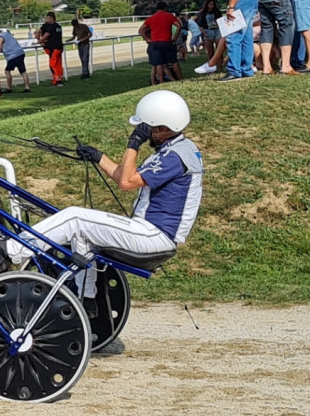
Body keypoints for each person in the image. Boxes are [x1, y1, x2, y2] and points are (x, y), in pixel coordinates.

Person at [17, 90, 202, 298]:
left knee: (75, 217)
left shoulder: (174, 157)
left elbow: (125, 182)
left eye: (147, 128)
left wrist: (134, 144)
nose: (146, 133)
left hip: (153, 236)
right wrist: (99, 157)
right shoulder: (177, 150)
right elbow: (127, 176)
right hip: (150, 233)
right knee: (83, 235)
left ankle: (13, 250)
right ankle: (85, 299)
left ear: (161, 128)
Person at [139, 2, 182, 84]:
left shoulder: (151, 18)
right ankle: (180, 79)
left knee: (158, 63)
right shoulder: (169, 16)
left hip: (155, 42)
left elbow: (141, 30)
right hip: (166, 41)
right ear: (165, 8)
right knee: (173, 61)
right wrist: (175, 37)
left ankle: (161, 81)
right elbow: (178, 25)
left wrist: (147, 39)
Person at [0, 26, 30, 92]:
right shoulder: (8, 35)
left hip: (13, 56)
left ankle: (9, 88)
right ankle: (27, 87)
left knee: (7, 71)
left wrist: (0, 48)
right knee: (23, 71)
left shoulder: (1, 36)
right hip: (20, 53)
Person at [37, 12, 66, 86]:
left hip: (54, 48)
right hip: (59, 47)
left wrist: (39, 42)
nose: (46, 20)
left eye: (48, 18)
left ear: (52, 18)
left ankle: (57, 80)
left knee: (52, 65)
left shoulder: (51, 27)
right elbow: (40, 32)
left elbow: (45, 36)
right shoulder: (58, 26)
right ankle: (59, 77)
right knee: (58, 64)